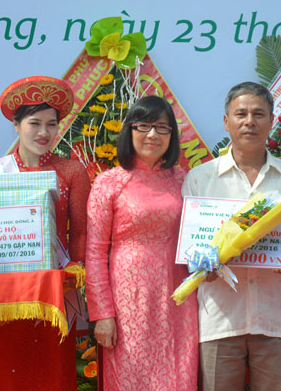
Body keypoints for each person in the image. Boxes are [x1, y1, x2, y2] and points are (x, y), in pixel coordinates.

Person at [0, 76, 91, 390]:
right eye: (34, 123)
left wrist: (75, 270)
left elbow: (80, 232)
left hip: (54, 294)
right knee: (7, 370)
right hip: (6, 295)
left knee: (55, 371)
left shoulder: (71, 171)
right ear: (16, 125)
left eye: (51, 125)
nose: (43, 133)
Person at [181, 82, 281, 390]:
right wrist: (201, 267)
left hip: (278, 319)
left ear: (271, 121)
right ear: (226, 122)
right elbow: (190, 247)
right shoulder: (199, 180)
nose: (250, 121)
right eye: (242, 114)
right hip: (219, 320)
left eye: (259, 114)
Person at [85, 95, 198, 390]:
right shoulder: (108, 183)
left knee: (178, 377)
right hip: (128, 303)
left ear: (172, 135)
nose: (152, 135)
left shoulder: (184, 181)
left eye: (162, 128)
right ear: (129, 130)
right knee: (131, 376)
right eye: (144, 125)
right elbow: (95, 253)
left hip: (178, 299)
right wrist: (102, 315)